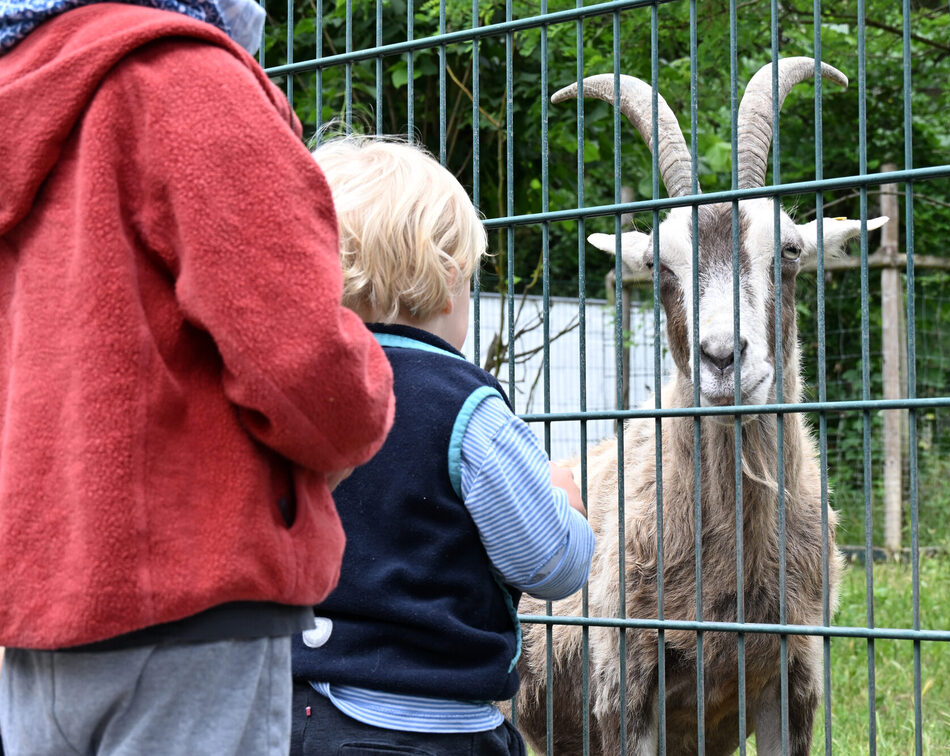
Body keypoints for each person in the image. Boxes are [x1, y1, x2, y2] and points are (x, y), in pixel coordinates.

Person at [0, 2, 396, 754]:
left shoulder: (21, 93)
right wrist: (369, 397)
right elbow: (304, 364)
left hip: (38, 616)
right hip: (193, 605)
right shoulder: (185, 80)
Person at [290, 136, 595, 756]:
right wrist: (564, 504)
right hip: (424, 727)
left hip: (286, 711)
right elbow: (550, 566)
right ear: (451, 279)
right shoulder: (464, 404)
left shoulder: (287, 389)